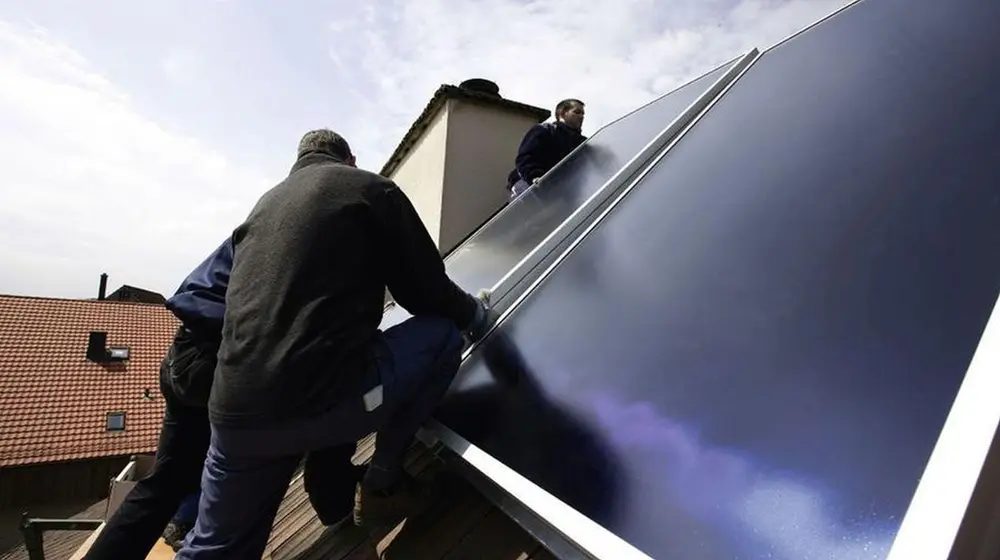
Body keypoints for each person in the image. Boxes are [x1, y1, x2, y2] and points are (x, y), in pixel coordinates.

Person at [175, 129, 492, 559]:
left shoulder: (264, 206)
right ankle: (383, 483)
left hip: (232, 415)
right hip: (317, 404)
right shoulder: (369, 189)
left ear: (298, 161)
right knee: (441, 336)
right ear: (351, 159)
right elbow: (425, 293)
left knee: (214, 547)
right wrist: (475, 315)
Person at [82, 237, 365, 559]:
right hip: (225, 361)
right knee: (267, 456)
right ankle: (333, 498)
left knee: (166, 482)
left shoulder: (259, 228)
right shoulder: (325, 239)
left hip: (184, 354)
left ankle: (183, 524)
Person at [507, 98, 587, 199]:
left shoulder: (583, 143)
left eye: (583, 114)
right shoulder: (545, 130)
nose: (581, 117)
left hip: (560, 191)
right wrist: (534, 176)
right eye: (577, 112)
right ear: (562, 113)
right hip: (531, 185)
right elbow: (526, 156)